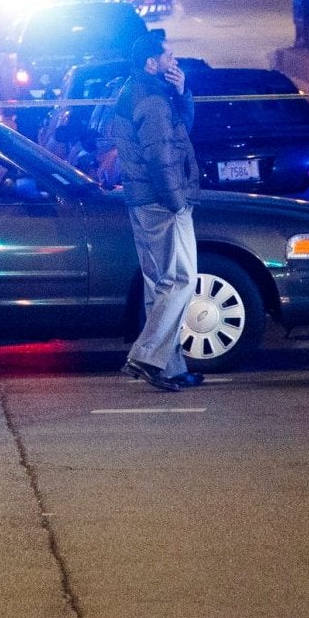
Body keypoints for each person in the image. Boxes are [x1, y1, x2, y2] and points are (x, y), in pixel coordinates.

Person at [103, 30, 203, 392]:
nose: (174, 61)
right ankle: (145, 357)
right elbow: (162, 157)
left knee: (160, 284)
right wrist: (177, 203)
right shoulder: (152, 101)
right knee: (180, 279)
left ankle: (170, 366)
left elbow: (178, 134)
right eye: (168, 56)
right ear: (151, 62)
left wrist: (182, 94)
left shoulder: (143, 91)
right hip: (162, 202)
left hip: (143, 200)